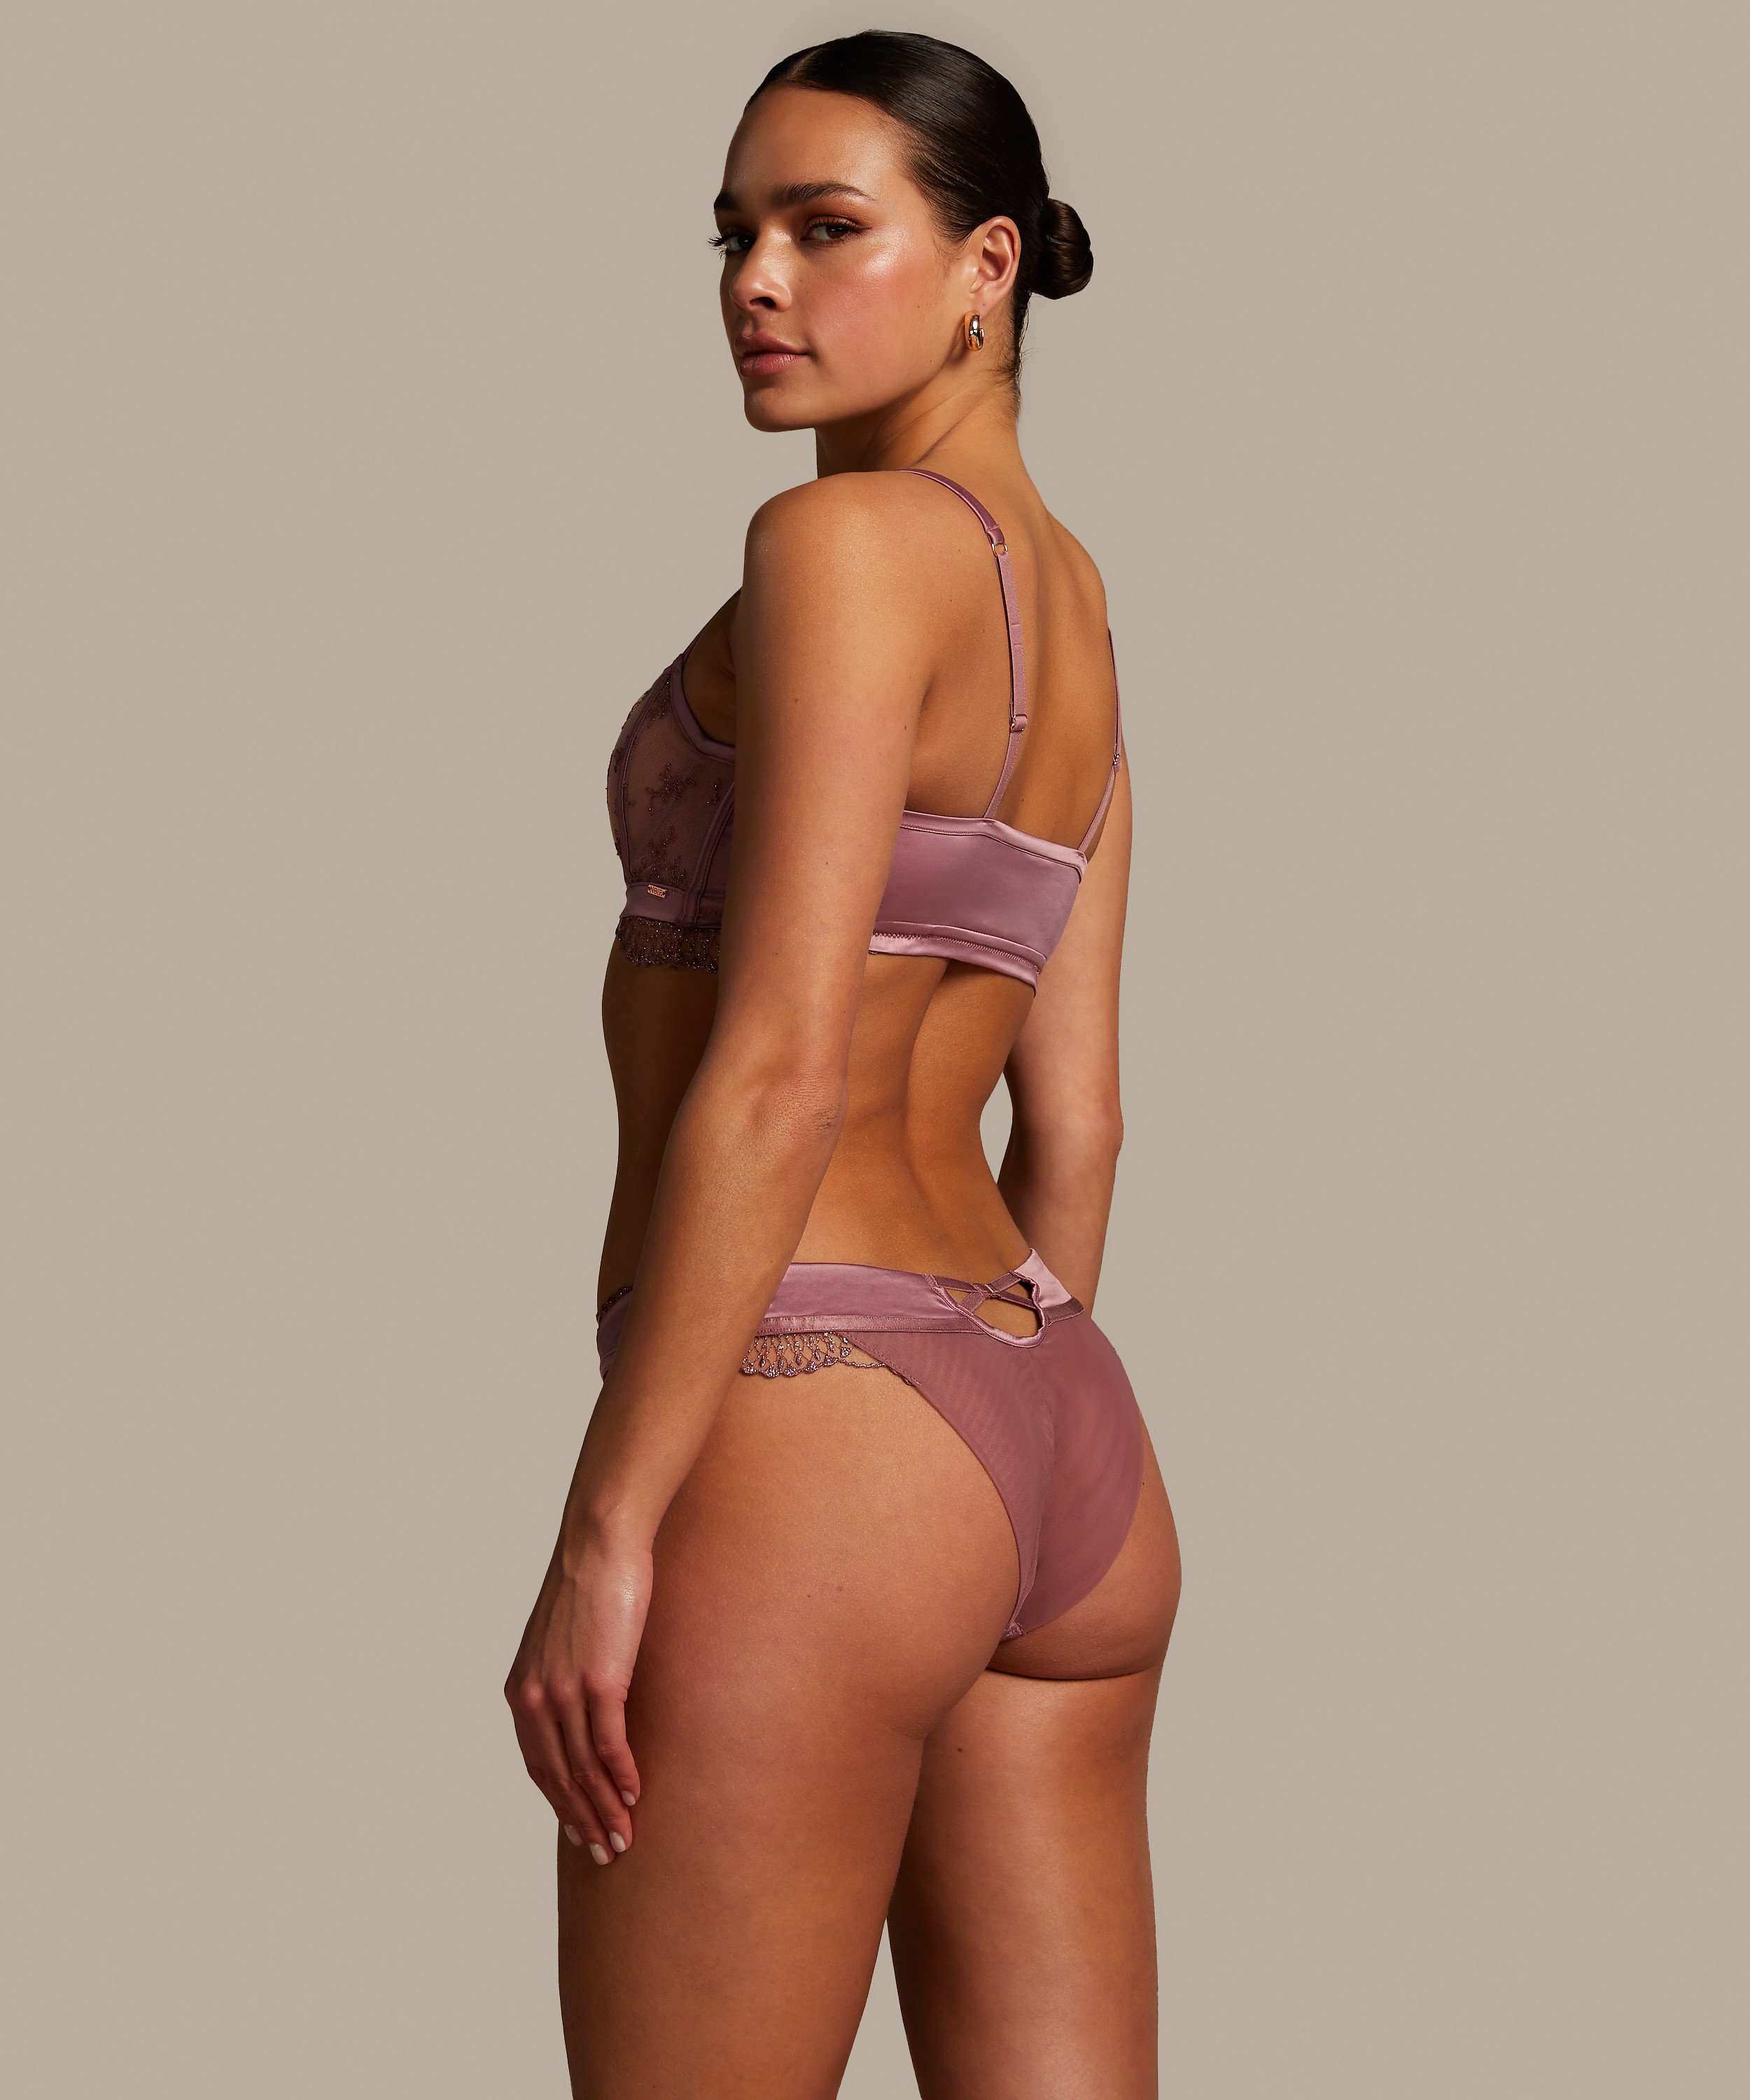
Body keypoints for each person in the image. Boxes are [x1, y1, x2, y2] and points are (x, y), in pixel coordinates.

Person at [505, 30, 1182, 2097]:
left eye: (825, 229)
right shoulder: (1078, 606)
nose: (756, 281)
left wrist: (612, 1524)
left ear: (988, 265)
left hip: (807, 1413)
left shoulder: (840, 551)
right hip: (1052, 1418)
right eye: (733, 234)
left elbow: (783, 1065)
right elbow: (1080, 1120)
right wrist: (989, 1469)